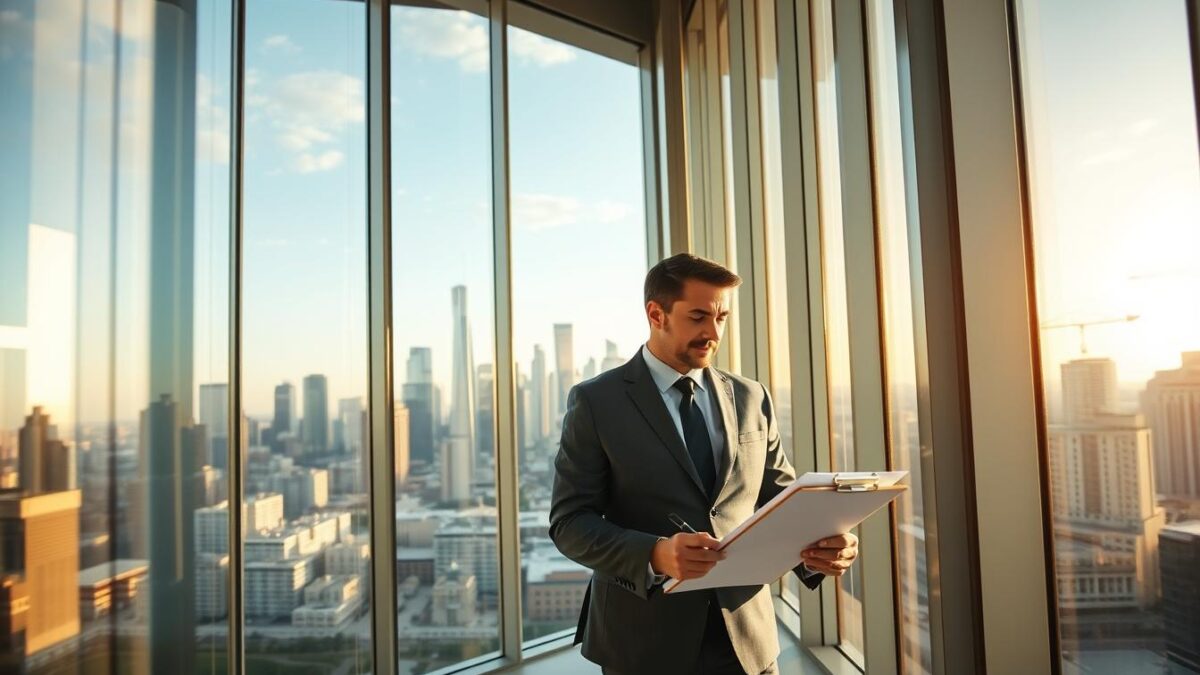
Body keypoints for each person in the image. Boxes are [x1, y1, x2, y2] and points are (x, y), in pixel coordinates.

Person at [549, 253, 859, 674]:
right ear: (656, 314)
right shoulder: (596, 402)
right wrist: (656, 554)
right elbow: (570, 522)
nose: (713, 333)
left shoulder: (751, 397)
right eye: (698, 317)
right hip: (643, 643)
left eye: (721, 317)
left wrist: (821, 546)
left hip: (747, 640)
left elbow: (780, 499)